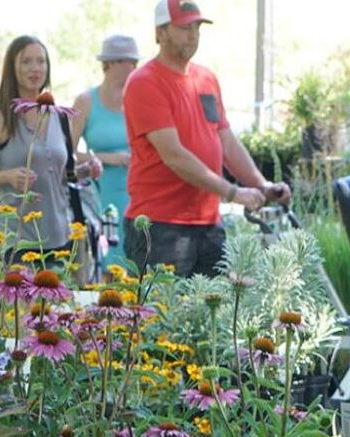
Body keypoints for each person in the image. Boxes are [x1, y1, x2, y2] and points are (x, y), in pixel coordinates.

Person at [121, 0, 291, 278]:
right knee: (163, 317)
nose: (193, 34)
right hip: (160, 226)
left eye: (197, 26)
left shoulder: (206, 79)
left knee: (213, 317)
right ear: (160, 33)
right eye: (184, 27)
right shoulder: (145, 82)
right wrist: (234, 193)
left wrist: (262, 185)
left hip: (208, 224)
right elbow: (174, 155)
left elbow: (227, 142)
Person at [0, 35, 100, 265]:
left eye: (41, 61)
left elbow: (59, 174)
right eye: (26, 61)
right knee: (20, 302)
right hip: (16, 238)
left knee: (61, 300)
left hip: (60, 236)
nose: (35, 68)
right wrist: (8, 176)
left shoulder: (60, 117)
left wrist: (83, 170)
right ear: (12, 67)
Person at [71, 34, 139, 277]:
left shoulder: (140, 100)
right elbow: (66, 153)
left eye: (135, 62)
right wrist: (107, 158)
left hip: (137, 194)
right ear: (109, 64)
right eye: (127, 61)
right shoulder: (86, 101)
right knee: (106, 266)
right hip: (101, 195)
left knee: (136, 268)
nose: (133, 67)